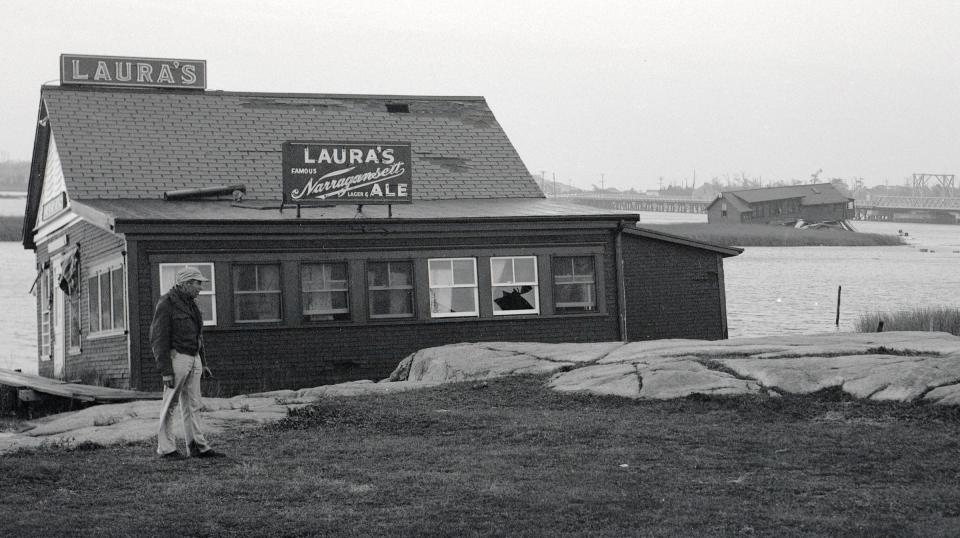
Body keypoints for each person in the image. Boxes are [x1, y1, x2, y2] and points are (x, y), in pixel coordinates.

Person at [150, 266, 224, 459]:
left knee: (194, 404)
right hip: (177, 358)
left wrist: (203, 362)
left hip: (194, 358)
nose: (201, 288)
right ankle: (166, 449)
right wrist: (165, 370)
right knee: (170, 404)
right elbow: (158, 339)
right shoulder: (166, 303)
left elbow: (198, 335)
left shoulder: (192, 304)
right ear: (185, 284)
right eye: (198, 283)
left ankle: (197, 446)